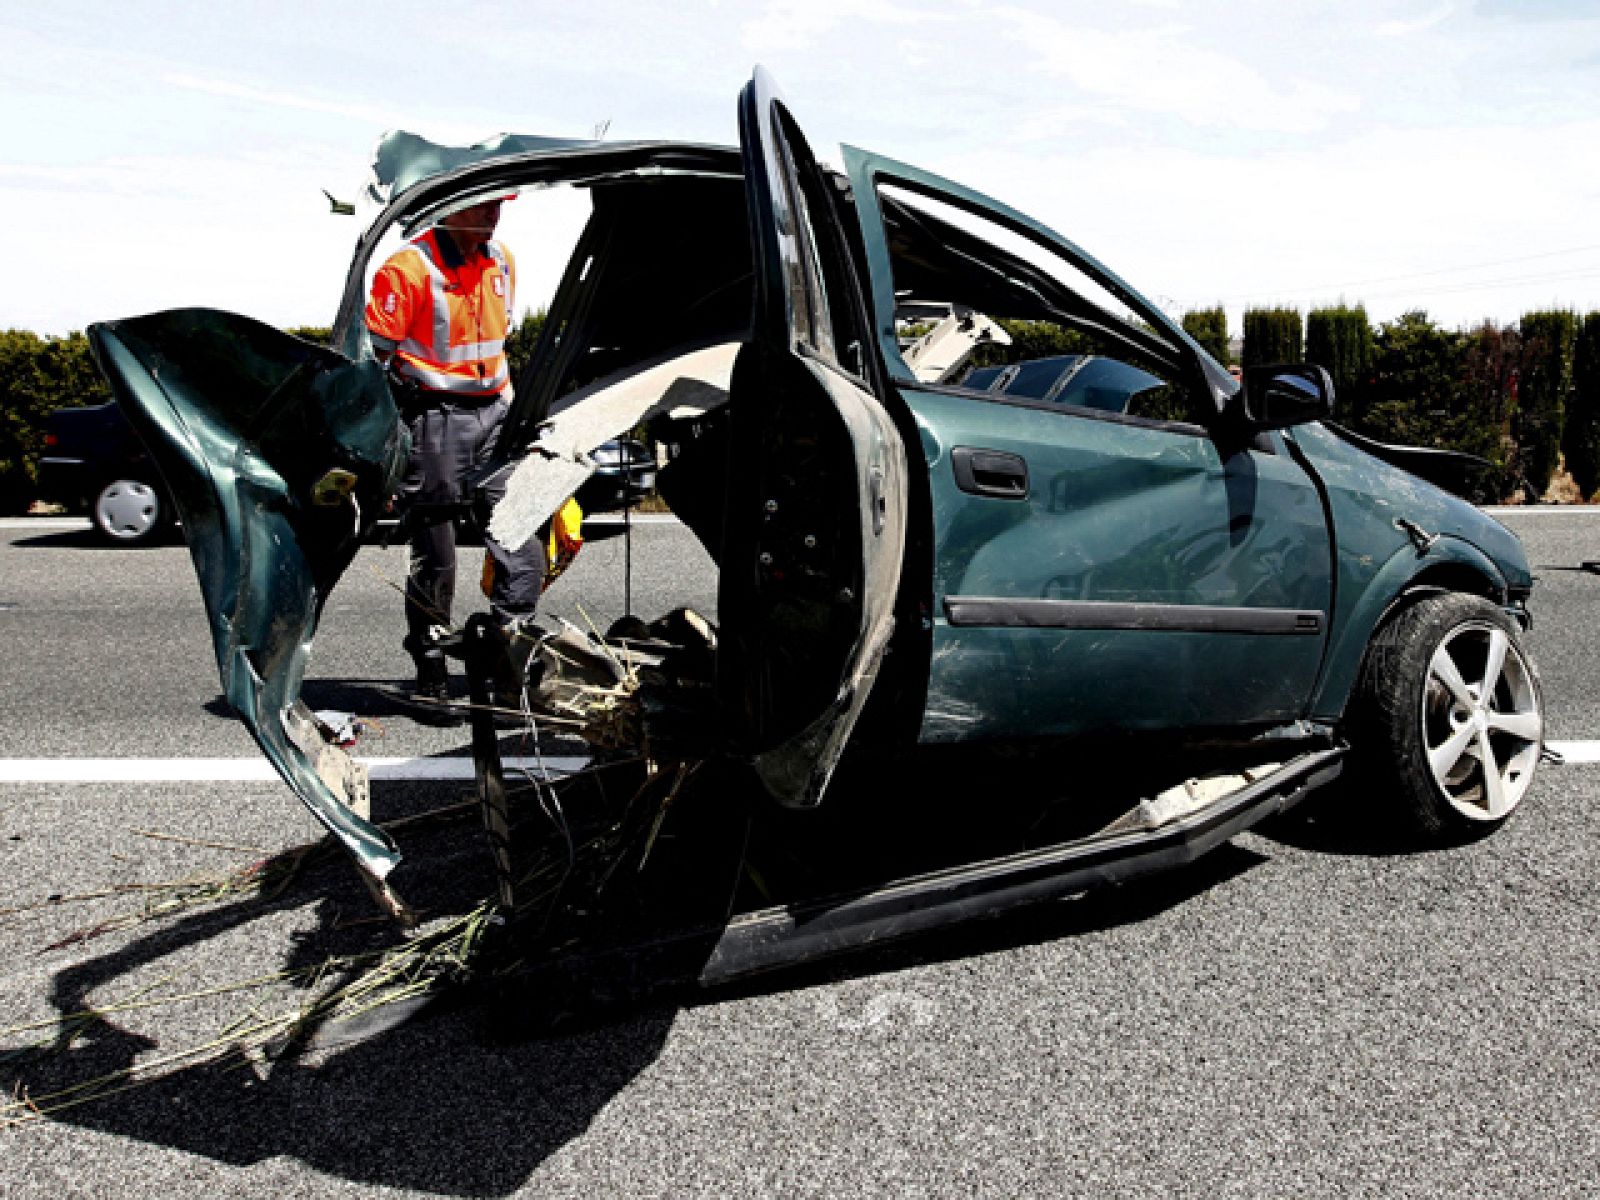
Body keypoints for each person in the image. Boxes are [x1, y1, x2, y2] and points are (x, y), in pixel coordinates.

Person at [364, 195, 542, 712]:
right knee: (435, 555)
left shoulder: (503, 260)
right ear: (448, 209)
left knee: (521, 540)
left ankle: (511, 663)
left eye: (498, 204)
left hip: (498, 417)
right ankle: (431, 664)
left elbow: (498, 346)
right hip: (434, 421)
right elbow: (373, 364)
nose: (494, 213)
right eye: (481, 205)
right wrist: (386, 450)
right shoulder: (406, 270)